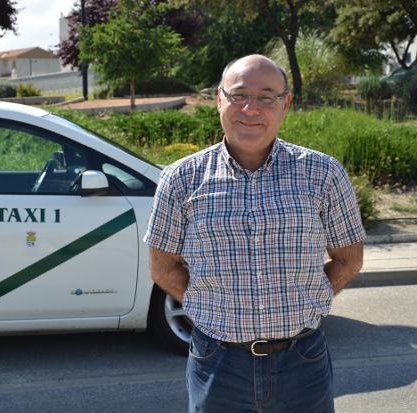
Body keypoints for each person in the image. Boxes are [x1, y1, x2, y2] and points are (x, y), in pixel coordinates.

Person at [143, 54, 365, 413]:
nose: (251, 108)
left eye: (266, 97)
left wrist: (309, 298)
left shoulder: (323, 174)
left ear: (285, 103)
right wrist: (212, 307)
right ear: (219, 99)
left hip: (302, 361)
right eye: (239, 95)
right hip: (217, 362)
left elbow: (349, 259)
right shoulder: (181, 179)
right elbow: (162, 267)